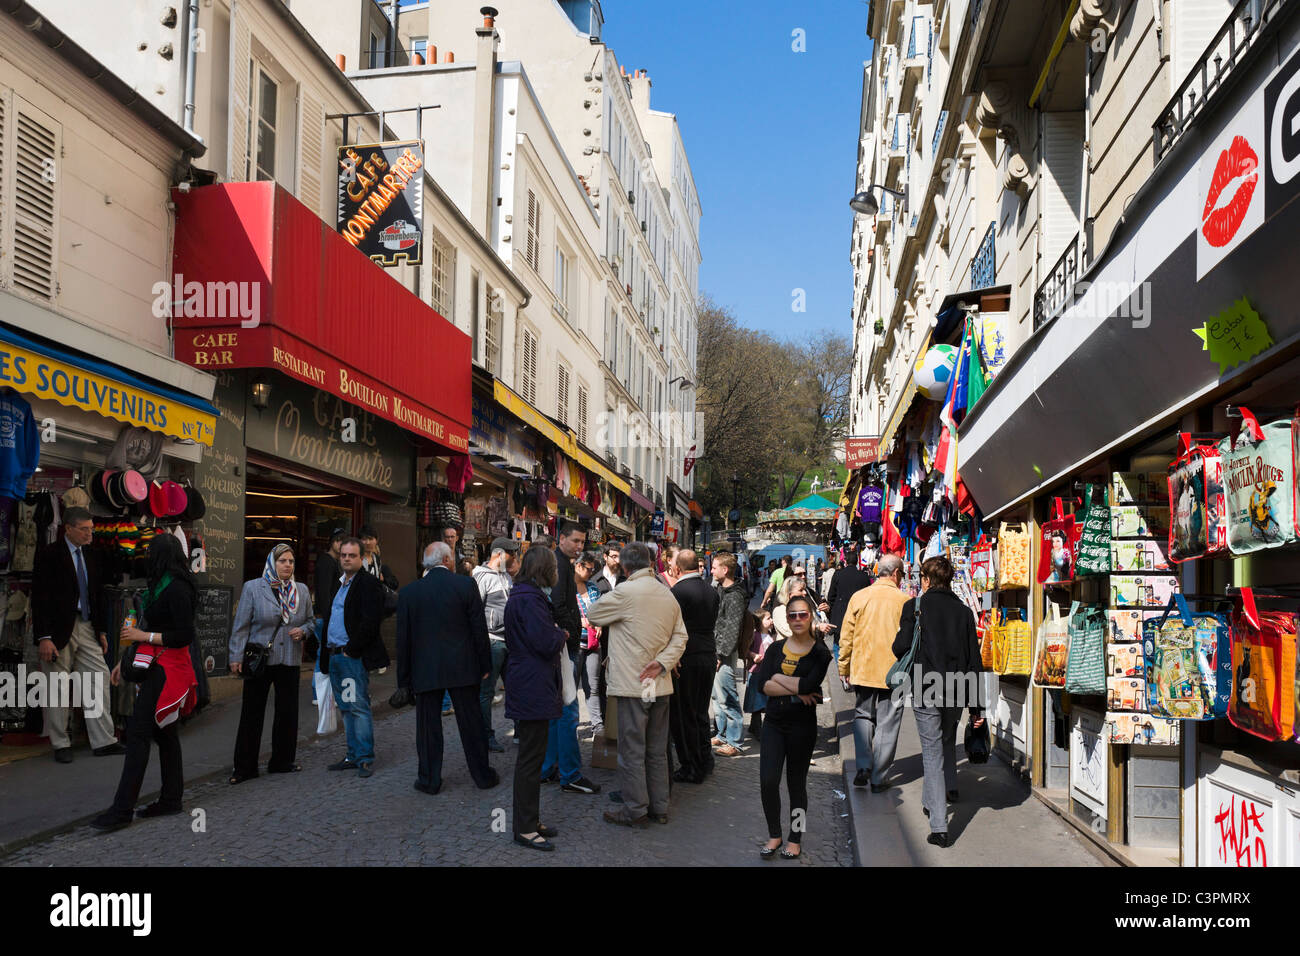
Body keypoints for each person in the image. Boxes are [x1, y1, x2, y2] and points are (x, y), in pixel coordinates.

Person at [91, 535, 198, 831]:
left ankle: (122, 809)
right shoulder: (163, 584)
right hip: (158, 666)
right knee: (164, 734)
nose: (146, 555)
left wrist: (141, 638)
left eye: (151, 552)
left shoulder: (176, 588)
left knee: (139, 734)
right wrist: (124, 663)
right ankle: (170, 799)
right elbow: (151, 629)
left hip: (169, 670)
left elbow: (183, 635)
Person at [586, 542, 688, 826]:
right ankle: (659, 807)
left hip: (633, 684)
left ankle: (635, 810)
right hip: (660, 683)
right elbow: (681, 637)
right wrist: (663, 662)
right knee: (656, 750)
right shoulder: (666, 594)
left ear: (625, 567)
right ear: (651, 564)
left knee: (631, 751)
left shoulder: (625, 592)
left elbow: (594, 615)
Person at [891, 555, 985, 849]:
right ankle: (948, 789)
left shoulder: (914, 607)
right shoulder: (964, 612)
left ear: (927, 580)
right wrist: (977, 708)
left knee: (931, 751)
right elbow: (974, 660)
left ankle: (940, 826)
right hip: (958, 686)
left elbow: (900, 647)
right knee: (945, 739)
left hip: (926, 684)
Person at [397, 542, 499, 794]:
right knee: (471, 724)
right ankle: (482, 775)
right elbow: (478, 629)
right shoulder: (464, 585)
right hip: (462, 667)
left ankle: (429, 780)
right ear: (447, 560)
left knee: (428, 727)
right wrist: (485, 664)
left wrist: (404, 679)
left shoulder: (410, 592)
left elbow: (403, 640)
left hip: (425, 668)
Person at [31, 506, 124, 763]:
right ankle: (60, 742)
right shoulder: (49, 555)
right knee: (57, 685)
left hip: (86, 625)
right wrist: (44, 636)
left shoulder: (92, 555)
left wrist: (101, 630)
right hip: (58, 628)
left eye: (91, 529)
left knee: (98, 677)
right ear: (68, 528)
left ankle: (103, 740)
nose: (89, 534)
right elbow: (39, 598)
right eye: (84, 530)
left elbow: (98, 594)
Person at [752, 595, 832, 859]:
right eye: (792, 615)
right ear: (786, 619)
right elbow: (763, 685)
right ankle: (774, 835)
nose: (797, 619)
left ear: (811, 616)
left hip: (802, 727)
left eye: (803, 614)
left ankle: (795, 838)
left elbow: (811, 685)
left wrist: (778, 678)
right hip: (773, 724)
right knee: (767, 781)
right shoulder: (775, 649)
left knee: (796, 785)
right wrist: (795, 689)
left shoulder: (821, 652)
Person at [228, 543, 315, 784]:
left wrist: (304, 631)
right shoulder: (254, 588)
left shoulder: (302, 590)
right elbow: (241, 625)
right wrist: (236, 656)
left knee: (287, 712)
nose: (287, 565)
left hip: (289, 658)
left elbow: (310, 620)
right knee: (252, 712)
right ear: (272, 563)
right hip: (260, 659)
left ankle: (282, 761)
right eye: (282, 561)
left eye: (291, 561)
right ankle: (245, 767)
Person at [504, 545, 569, 850]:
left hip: (529, 682)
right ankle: (525, 828)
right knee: (530, 760)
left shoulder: (526, 595)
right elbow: (544, 641)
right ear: (545, 569)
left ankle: (530, 821)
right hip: (532, 684)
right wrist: (560, 634)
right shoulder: (530, 599)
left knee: (532, 757)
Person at [836, 553, 909, 792]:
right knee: (888, 722)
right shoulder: (904, 600)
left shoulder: (860, 597)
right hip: (894, 671)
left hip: (864, 667)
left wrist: (843, 665)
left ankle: (863, 766)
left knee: (863, 715)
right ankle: (879, 777)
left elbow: (846, 637)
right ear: (896, 573)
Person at [319, 536, 388, 778]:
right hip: (336, 656)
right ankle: (352, 754)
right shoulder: (341, 584)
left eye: (352, 555)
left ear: (361, 558)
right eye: (343, 555)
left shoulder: (367, 583)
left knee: (357, 706)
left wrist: (352, 649)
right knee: (346, 708)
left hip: (350, 658)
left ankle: (364, 758)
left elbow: (371, 621)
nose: (346, 559)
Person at [541, 522, 600, 794]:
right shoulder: (560, 564)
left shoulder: (561, 563)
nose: (580, 546)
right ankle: (570, 774)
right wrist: (569, 634)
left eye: (582, 542)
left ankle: (550, 767)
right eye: (575, 540)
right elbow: (559, 606)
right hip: (565, 647)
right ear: (561, 538)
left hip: (564, 645)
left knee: (559, 710)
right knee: (568, 710)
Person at [668, 549, 719, 783]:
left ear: (677, 568)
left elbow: (671, 626)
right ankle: (705, 759)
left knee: (684, 712)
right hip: (707, 653)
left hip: (686, 656)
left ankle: (691, 766)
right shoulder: (711, 590)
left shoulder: (677, 591)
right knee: (700, 710)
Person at [472, 537, 519, 753]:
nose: (514, 560)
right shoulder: (480, 576)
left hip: (508, 641)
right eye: (511, 555)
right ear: (499, 554)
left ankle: (520, 730)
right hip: (492, 642)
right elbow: (474, 613)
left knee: (516, 687)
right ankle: (484, 735)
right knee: (486, 692)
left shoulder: (506, 576)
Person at [710, 552, 749, 757]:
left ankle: (734, 741)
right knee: (718, 695)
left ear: (725, 570)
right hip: (717, 649)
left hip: (723, 652)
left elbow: (731, 630)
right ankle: (723, 734)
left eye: (715, 567)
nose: (712, 570)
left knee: (728, 696)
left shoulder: (734, 596)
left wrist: (720, 654)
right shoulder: (720, 590)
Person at [573, 551, 604, 738]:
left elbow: (601, 610)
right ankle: (571, 724)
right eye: (588, 569)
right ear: (578, 566)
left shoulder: (593, 588)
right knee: (571, 687)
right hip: (575, 643)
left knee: (592, 686)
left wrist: (599, 622)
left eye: (593, 569)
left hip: (594, 644)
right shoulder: (567, 587)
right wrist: (579, 622)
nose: (591, 573)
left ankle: (597, 726)